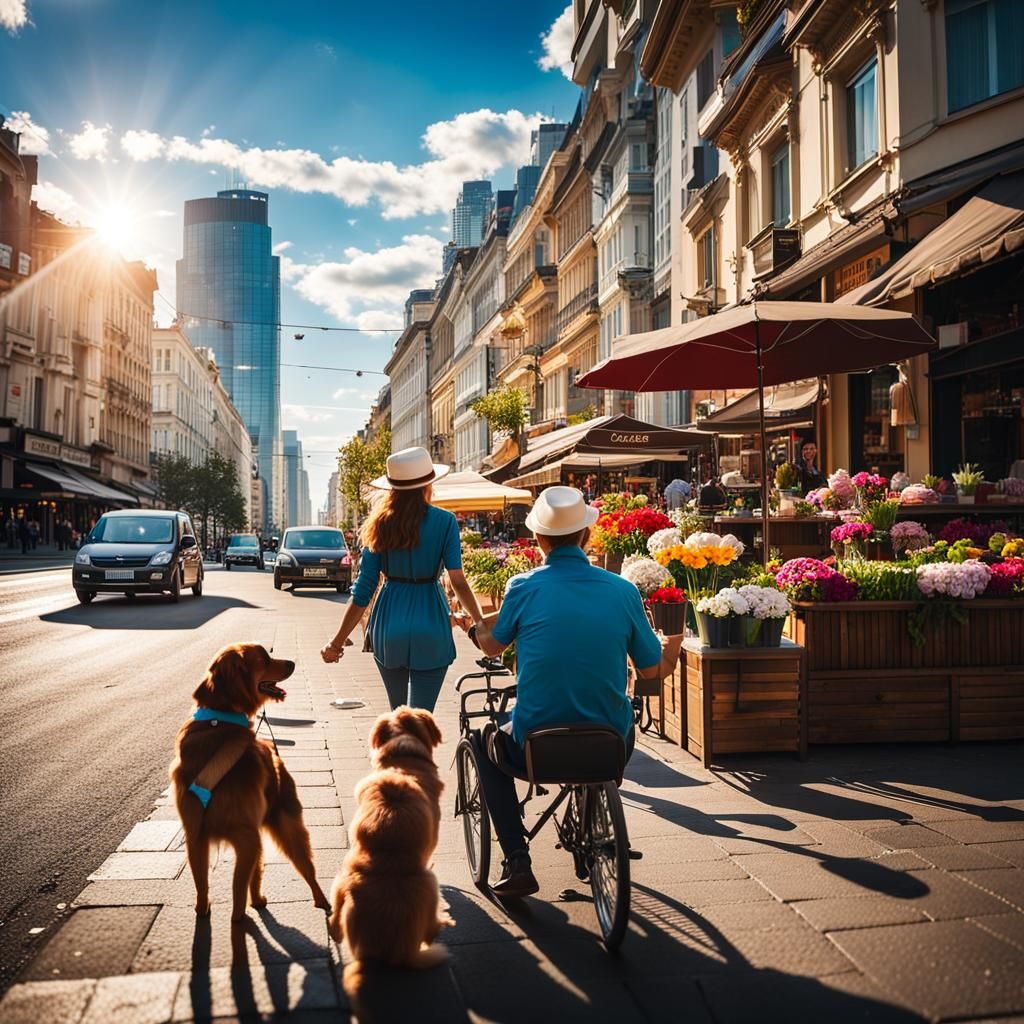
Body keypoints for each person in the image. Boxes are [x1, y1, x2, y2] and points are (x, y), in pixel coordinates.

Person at [472, 486, 680, 897]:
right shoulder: (622, 591)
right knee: (606, 708)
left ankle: (517, 859)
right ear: (587, 537)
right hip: (610, 741)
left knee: (482, 743)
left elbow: (493, 645)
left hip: (535, 742)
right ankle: (593, 804)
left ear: (538, 539)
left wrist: (477, 627)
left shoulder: (522, 587)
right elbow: (653, 668)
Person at [320, 446, 485, 712]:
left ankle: (394, 751)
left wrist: (337, 642)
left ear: (392, 488)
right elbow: (458, 579)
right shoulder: (445, 522)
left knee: (397, 714)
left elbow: (364, 589)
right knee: (421, 718)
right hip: (431, 621)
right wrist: (478, 622)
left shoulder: (378, 525)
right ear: (428, 484)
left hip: (388, 625)